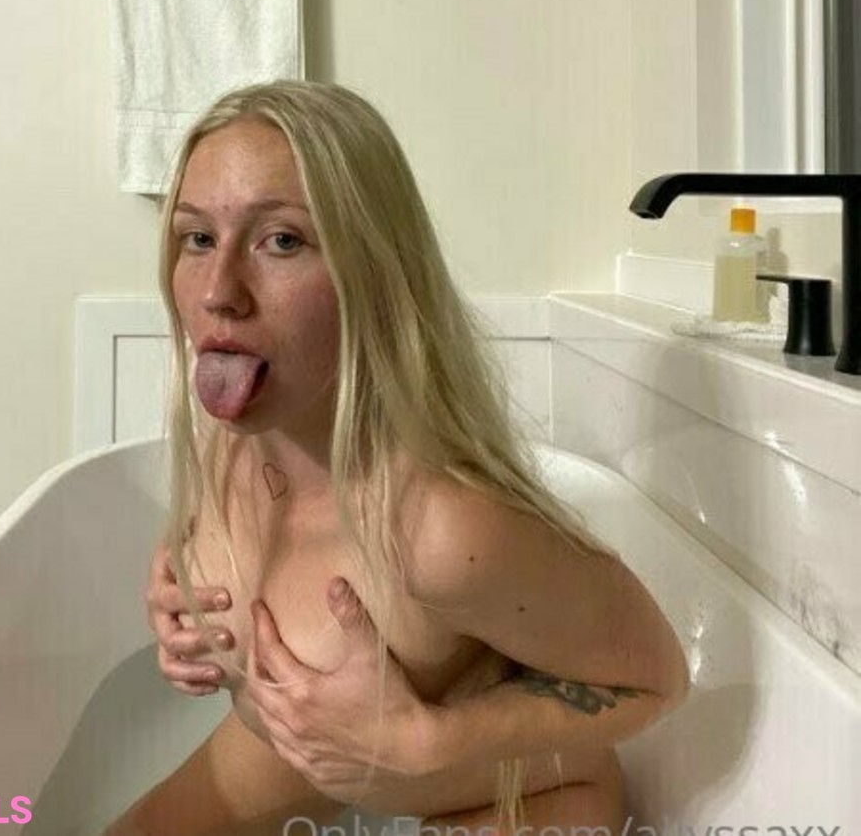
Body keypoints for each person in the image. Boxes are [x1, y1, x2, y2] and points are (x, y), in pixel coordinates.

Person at [104, 81, 689, 836]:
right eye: (197, 238)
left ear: (376, 269)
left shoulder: (441, 529)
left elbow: (659, 680)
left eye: (281, 240)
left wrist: (429, 742)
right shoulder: (237, 430)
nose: (220, 292)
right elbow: (218, 543)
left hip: (519, 790)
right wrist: (175, 592)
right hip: (295, 746)